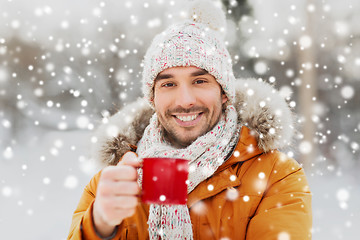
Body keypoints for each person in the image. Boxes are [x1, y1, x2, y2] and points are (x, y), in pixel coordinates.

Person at [67, 0, 312, 239]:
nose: (184, 100)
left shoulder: (276, 176)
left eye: (200, 81)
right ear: (153, 98)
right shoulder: (113, 183)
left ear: (224, 92)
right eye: (169, 84)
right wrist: (100, 226)